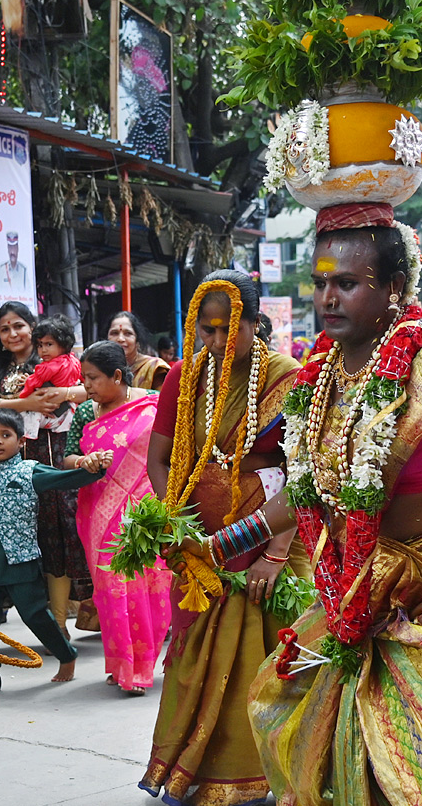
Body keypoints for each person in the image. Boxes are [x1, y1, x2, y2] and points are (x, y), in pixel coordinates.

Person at [172, 210, 422, 805]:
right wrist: (216, 545)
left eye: (347, 283)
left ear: (392, 289)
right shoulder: (321, 374)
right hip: (352, 583)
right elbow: (308, 491)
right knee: (332, 748)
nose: (329, 297)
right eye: (321, 282)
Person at [139, 269, 306, 804]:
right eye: (205, 329)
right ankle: (195, 769)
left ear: (255, 323)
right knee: (195, 658)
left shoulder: (288, 378)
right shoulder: (184, 377)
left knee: (269, 657)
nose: (214, 342)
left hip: (268, 536)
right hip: (199, 539)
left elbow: (306, 476)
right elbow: (159, 459)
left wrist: (276, 555)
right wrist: (177, 525)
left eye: (226, 328)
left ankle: (271, 774)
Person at [0, 408, 109, 698]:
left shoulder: (31, 470)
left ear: (20, 441)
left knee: (35, 616)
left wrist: (95, 470)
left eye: (6, 435)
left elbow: (64, 480)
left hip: (22, 559)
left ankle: (66, 655)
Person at [62, 341, 170, 695]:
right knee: (110, 590)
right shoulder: (84, 414)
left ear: (118, 376)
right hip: (99, 512)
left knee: (145, 588)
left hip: (143, 513)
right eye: (83, 379)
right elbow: (67, 456)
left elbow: (172, 451)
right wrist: (82, 462)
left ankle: (140, 668)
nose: (87, 386)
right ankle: (120, 663)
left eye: (93, 378)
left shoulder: (153, 403)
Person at [0, 302, 90, 639]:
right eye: (4, 329)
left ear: (33, 328)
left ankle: (57, 622)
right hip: (11, 460)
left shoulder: (55, 361)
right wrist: (25, 404)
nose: (12, 334)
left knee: (57, 526)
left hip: (51, 452)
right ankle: (16, 620)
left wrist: (63, 393)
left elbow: (90, 389)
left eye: (19, 326)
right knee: (18, 531)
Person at [20, 314, 83, 434]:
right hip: (71, 411)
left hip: (52, 413)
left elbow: (34, 382)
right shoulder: (74, 361)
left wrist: (24, 399)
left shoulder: (48, 367)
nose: (43, 350)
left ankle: (27, 436)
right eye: (39, 345)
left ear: (63, 344)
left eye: (49, 344)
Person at [107, 311, 170, 391]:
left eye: (128, 333)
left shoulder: (153, 368)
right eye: (114, 333)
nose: (120, 339)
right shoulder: (100, 369)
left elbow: (163, 400)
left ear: (137, 339)